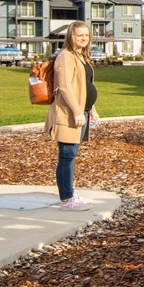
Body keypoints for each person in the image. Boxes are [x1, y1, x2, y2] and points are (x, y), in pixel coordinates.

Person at [45, 20, 99, 211]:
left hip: (82, 111)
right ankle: (66, 199)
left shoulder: (81, 56)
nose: (84, 38)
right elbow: (65, 87)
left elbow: (85, 85)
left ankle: (69, 192)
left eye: (86, 35)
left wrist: (91, 108)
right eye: (79, 35)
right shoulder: (66, 56)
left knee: (71, 155)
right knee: (66, 155)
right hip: (68, 113)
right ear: (71, 36)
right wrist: (77, 111)